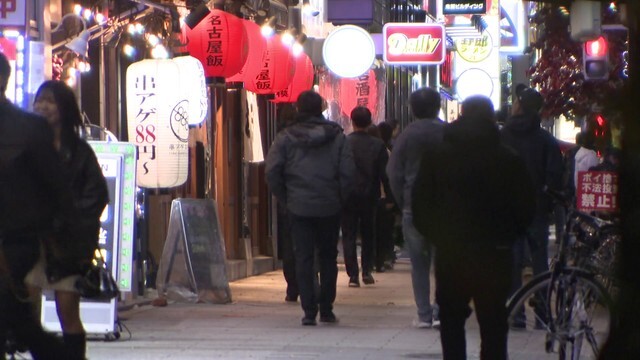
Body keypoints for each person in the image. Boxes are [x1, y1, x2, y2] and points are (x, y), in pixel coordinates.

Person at [412, 95, 535, 360]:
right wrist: (507, 236)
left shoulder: (437, 156)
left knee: (451, 321)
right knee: (493, 324)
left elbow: (420, 204)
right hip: (494, 252)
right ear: (492, 118)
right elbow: (525, 207)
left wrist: (439, 236)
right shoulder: (507, 158)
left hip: (451, 252)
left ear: (461, 115)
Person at [25, 80, 109, 360]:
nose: (42, 106)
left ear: (63, 108)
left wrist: (69, 222)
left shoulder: (80, 151)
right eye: (39, 100)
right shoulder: (28, 146)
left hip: (67, 245)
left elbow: (97, 195)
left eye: (49, 101)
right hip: (33, 239)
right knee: (26, 309)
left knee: (66, 309)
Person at [0, 52, 74, 359]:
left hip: (14, 242)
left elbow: (56, 187)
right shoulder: (29, 127)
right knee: (17, 318)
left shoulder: (28, 129)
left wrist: (56, 237)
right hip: (18, 237)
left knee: (14, 314)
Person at [265, 91, 355, 326]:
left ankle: (308, 310)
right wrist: (340, 198)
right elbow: (348, 171)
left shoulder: (285, 137)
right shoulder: (336, 136)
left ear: (298, 108)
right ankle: (326, 308)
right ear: (321, 108)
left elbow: (272, 170)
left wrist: (286, 198)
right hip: (329, 205)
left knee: (303, 257)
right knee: (327, 257)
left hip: (298, 205)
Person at [501, 86, 563, 328]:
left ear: (518, 106)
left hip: (509, 210)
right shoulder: (545, 139)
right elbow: (555, 175)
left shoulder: (503, 136)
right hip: (536, 209)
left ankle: (516, 314)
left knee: (513, 262)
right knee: (540, 263)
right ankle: (543, 314)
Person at [386, 87, 444, 328]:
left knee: (418, 263)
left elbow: (393, 172)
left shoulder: (407, 135)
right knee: (443, 263)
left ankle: (423, 313)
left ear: (412, 109)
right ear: (438, 107)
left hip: (413, 205)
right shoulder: (448, 132)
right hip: (444, 208)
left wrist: (402, 201)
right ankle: (441, 310)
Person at [340, 107, 391, 287]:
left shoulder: (344, 143)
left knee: (349, 234)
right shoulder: (378, 145)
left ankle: (353, 275)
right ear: (370, 122)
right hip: (370, 195)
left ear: (352, 121)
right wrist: (390, 197)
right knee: (369, 233)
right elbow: (385, 175)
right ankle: (367, 271)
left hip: (347, 195)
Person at [375, 121, 397, 272]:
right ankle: (385, 258)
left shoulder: (378, 148)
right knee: (386, 230)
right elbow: (389, 176)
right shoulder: (386, 150)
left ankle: (376, 260)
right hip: (383, 195)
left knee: (376, 230)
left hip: (373, 195)